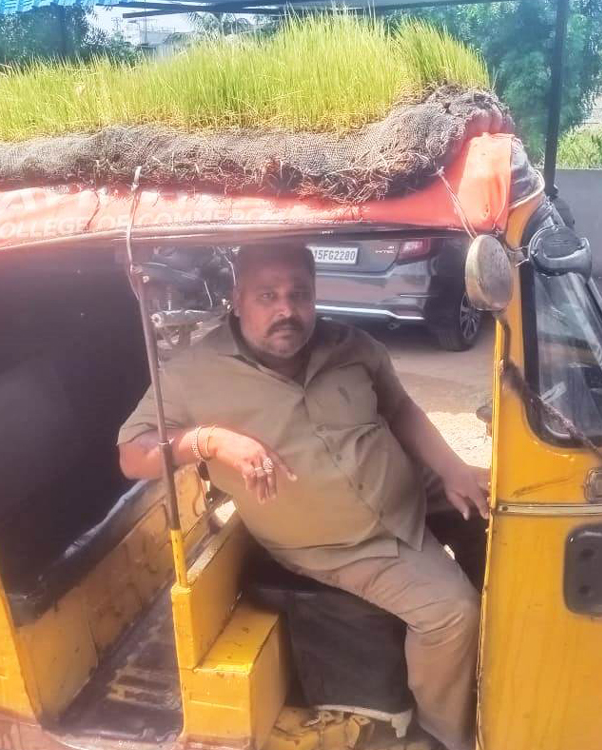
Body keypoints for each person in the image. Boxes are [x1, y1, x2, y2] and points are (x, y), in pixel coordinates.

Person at [116, 243, 490, 750]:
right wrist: (211, 441)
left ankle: (498, 645)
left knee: (515, 507)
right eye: (267, 296)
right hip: (343, 540)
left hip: (403, 484)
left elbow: (398, 408)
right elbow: (132, 454)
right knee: (452, 613)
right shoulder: (190, 374)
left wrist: (450, 468)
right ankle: (441, 734)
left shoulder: (349, 344)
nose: (286, 311)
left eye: (299, 295)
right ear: (236, 298)